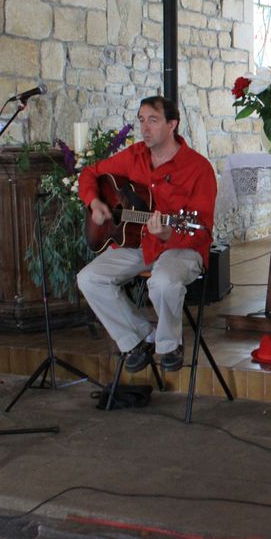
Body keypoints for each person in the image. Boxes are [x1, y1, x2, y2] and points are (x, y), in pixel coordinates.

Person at [76, 96, 216, 373]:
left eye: (153, 120)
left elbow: (202, 231)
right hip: (139, 244)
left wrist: (167, 236)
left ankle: (169, 345)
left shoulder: (198, 169)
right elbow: (89, 174)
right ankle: (137, 339)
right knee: (89, 279)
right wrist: (94, 202)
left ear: (172, 124)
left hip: (181, 246)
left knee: (162, 282)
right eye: (141, 120)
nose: (145, 128)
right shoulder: (134, 156)